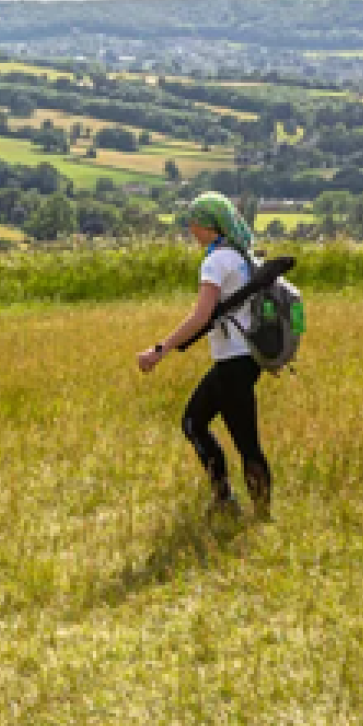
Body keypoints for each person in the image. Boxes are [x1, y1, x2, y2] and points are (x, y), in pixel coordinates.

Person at [136, 193, 273, 518]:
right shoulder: (240, 255)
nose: (190, 229)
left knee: (229, 435)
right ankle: (233, 501)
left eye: (192, 223)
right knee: (198, 423)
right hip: (246, 359)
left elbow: (200, 316)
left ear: (206, 224)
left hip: (233, 363)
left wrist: (159, 350)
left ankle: (247, 508)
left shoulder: (215, 261)